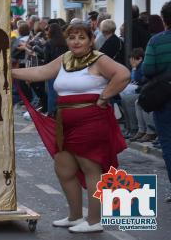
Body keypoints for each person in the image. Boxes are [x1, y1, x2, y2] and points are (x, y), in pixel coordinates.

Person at [12, 22, 130, 233]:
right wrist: (10, 71)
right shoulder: (64, 58)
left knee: (91, 168)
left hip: (91, 121)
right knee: (64, 168)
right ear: (66, 40)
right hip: (64, 122)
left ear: (91, 40)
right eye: (72, 37)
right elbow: (41, 72)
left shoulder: (99, 59)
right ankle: (75, 216)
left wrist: (104, 96)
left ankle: (94, 221)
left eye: (81, 37)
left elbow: (123, 74)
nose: (76, 41)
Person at [142, 0, 171, 202]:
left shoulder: (156, 41)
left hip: (165, 98)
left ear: (164, 19)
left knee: (168, 145)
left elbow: (147, 70)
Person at [43, 23, 68, 116]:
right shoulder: (65, 43)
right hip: (64, 70)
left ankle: (51, 113)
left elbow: (47, 59)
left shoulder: (49, 43)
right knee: (62, 93)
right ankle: (61, 111)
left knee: (51, 93)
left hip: (52, 71)